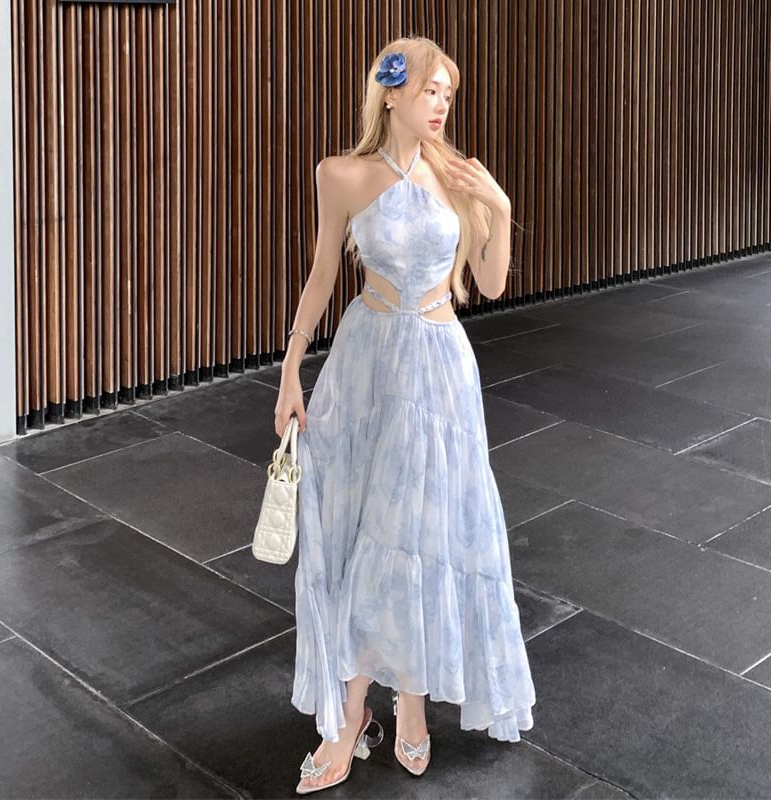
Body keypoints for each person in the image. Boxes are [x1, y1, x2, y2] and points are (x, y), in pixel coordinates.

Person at [274, 36, 536, 795]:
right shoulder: (341, 175)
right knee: (368, 532)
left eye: (448, 92)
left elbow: (489, 282)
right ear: (391, 92)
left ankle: (410, 699)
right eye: (430, 90)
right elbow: (323, 274)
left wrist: (500, 208)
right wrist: (291, 368)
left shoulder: (456, 175)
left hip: (441, 369)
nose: (442, 104)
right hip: (367, 364)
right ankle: (352, 713)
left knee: (425, 530)